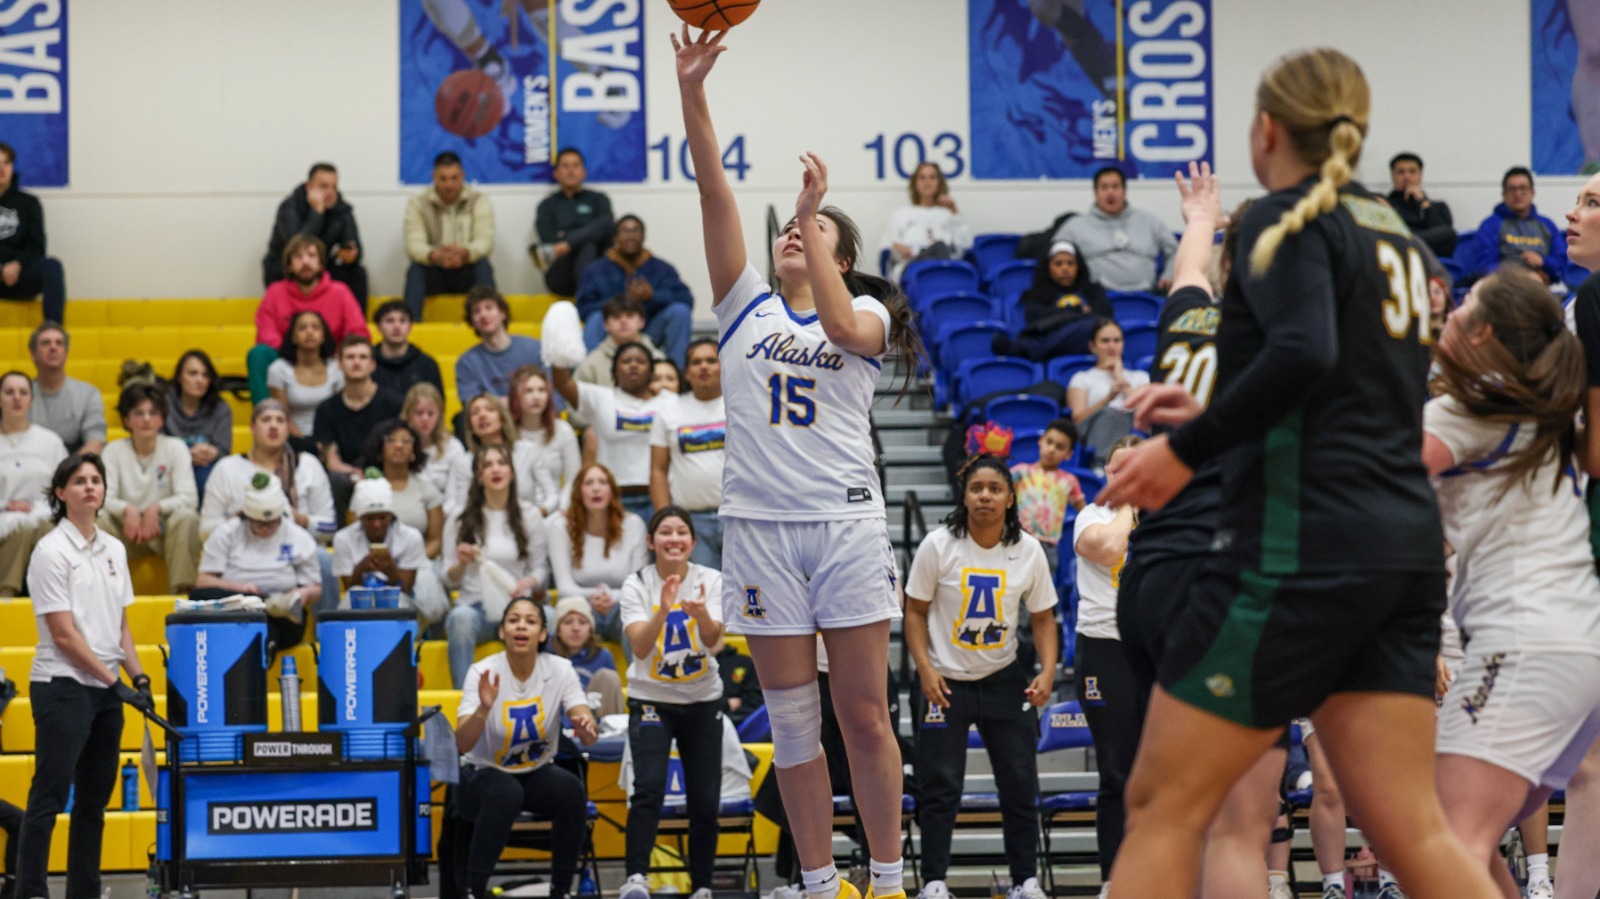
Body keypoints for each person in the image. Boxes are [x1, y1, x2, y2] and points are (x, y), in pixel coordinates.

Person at [1098, 49, 1499, 896]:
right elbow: (1344, 382)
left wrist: (1184, 449)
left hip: (1298, 552)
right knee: (1413, 830)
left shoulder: (1285, 219)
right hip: (1400, 551)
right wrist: (1213, 414)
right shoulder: (1394, 232)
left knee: (1162, 801)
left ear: (1267, 128)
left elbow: (1306, 350)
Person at [675, 26, 927, 899]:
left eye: (813, 229)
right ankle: (821, 883)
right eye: (788, 226)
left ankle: (889, 877)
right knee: (792, 730)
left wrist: (815, 214)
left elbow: (844, 326)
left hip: (845, 523)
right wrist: (692, 89)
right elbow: (713, 187)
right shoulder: (743, 308)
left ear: (841, 257)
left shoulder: (865, 315)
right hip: (761, 531)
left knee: (861, 714)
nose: (793, 232)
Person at [1112, 163, 1283, 899]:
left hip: (1148, 578)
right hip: (1224, 582)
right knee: (1238, 828)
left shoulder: (1188, 321)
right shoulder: (1290, 349)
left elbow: (1189, 270)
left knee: (1162, 815)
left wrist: (1200, 218)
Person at [1428, 273, 1600, 894]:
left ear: (1486, 331)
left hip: (1525, 646)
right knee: (1463, 838)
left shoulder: (1473, 405)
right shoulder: (1541, 408)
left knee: (1449, 843)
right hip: (1572, 649)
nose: (1451, 307)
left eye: (1466, 302)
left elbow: (1369, 473)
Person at [903, 455, 1057, 899]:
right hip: (944, 681)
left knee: (1019, 780)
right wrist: (926, 670)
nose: (985, 496)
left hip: (1004, 677)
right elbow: (914, 612)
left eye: (994, 489)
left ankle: (1025, 881)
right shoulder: (938, 544)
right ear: (964, 495)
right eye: (977, 488)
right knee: (940, 785)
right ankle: (933, 882)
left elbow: (1044, 619)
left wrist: (1047, 670)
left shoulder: (1027, 549)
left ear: (1011, 498)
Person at [15, 453, 154, 899]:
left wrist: (140, 677)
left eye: (96, 480)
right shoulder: (50, 552)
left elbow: (120, 627)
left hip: (107, 689)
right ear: (60, 493)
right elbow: (64, 636)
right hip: (63, 686)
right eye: (79, 481)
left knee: (94, 803)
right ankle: (31, 891)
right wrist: (115, 683)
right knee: (49, 797)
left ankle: (84, 892)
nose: (90, 487)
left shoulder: (114, 548)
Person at [615, 505, 726, 899]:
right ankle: (636, 878)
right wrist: (663, 609)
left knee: (704, 797)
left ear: (693, 542)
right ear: (650, 542)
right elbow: (641, 648)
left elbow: (715, 644)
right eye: (665, 532)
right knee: (647, 787)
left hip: (702, 699)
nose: (674, 538)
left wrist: (701, 617)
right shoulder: (636, 584)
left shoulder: (711, 579)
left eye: (682, 532)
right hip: (651, 699)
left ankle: (702, 885)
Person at [454, 597, 598, 899]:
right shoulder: (482, 671)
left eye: (531, 621)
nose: (522, 625)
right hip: (480, 775)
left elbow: (585, 725)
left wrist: (586, 726)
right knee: (507, 791)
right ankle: (473, 890)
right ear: (503, 632)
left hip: (533, 772)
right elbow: (462, 743)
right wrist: (483, 708)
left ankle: (561, 890)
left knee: (571, 791)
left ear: (543, 634)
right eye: (514, 620)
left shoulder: (560, 669)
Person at [1555, 168, 1600, 899]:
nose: (1574, 211)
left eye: (1594, 202)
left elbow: (1597, 453)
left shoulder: (1593, 300)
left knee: (1590, 763)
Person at [1072, 435, 1141, 888]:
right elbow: (1109, 549)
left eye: (1133, 467)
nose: (1122, 476)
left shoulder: (1171, 516)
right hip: (1104, 648)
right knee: (1117, 773)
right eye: (1117, 469)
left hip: (1157, 650)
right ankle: (1113, 883)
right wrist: (1132, 508)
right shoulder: (1092, 515)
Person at [200, 400, 341, 611]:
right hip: (243, 548)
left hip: (293, 549)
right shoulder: (227, 469)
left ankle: (328, 632)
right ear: (252, 427)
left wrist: (302, 519)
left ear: (288, 427)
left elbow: (330, 527)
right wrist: (239, 519)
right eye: (266, 420)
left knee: (324, 559)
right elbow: (204, 530)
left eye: (280, 420)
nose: (273, 426)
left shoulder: (308, 465)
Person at [443, 444, 550, 688]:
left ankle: (543, 693)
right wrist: (460, 564)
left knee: (551, 617)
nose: (495, 469)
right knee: (460, 619)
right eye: (487, 465)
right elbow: (448, 578)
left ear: (512, 472)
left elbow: (541, 570)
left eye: (501, 463)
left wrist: (528, 583)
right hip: (475, 606)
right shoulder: (459, 516)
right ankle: (464, 700)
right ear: (479, 477)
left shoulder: (529, 514)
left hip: (516, 606)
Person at [193, 472, 322, 652]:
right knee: (199, 597)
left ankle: (264, 633)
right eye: (259, 522)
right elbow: (203, 582)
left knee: (272, 624)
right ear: (247, 516)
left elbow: (315, 587)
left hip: (280, 612)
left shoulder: (299, 537)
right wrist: (241, 589)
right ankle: (261, 608)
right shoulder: (227, 532)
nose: (265, 528)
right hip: (236, 606)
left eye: (271, 522)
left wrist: (302, 594)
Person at [554, 341, 676, 521]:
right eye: (626, 361)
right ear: (614, 369)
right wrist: (560, 347)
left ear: (651, 371)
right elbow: (562, 383)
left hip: (659, 498)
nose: (633, 365)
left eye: (640, 361)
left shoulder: (669, 402)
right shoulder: (600, 398)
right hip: (613, 499)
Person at [99, 383, 201, 595]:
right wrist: (129, 510)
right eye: (139, 413)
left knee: (187, 518)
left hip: (163, 532)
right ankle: (106, 593)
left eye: (153, 413)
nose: (146, 419)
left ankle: (182, 594)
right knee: (97, 519)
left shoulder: (176, 448)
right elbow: (102, 499)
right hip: (126, 532)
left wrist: (156, 508)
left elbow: (190, 498)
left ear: (162, 419)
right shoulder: (113, 450)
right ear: (127, 420)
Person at [248, 233, 369, 403]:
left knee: (362, 354)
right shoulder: (275, 292)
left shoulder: (340, 292)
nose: (306, 262)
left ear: (321, 264)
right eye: (298, 257)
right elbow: (266, 335)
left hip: (331, 362)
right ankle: (267, 416)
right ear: (289, 265)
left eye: (312, 256)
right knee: (258, 354)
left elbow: (358, 333)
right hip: (287, 360)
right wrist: (301, 354)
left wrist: (330, 356)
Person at [547, 464, 648, 643]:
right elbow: (564, 587)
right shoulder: (560, 527)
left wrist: (611, 597)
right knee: (560, 618)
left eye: (602, 482)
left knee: (637, 621)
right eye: (588, 483)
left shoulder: (633, 525)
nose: (596, 488)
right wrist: (593, 597)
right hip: (578, 608)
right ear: (578, 492)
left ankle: (641, 672)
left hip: (621, 607)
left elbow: (638, 586)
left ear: (612, 491)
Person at [576, 215, 695, 365]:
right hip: (611, 335)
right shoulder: (596, 270)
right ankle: (591, 376)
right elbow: (583, 308)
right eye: (625, 231)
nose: (630, 236)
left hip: (649, 331)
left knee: (680, 312)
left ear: (643, 236)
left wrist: (652, 296)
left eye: (635, 231)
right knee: (595, 318)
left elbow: (686, 299)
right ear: (615, 237)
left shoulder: (661, 268)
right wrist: (621, 302)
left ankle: (674, 375)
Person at [650, 339, 726, 568]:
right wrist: (669, 519)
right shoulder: (668, 411)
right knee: (705, 595)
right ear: (686, 373)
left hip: (737, 517)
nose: (704, 366)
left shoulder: (741, 404)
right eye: (696, 362)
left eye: (711, 361)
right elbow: (658, 469)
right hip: (691, 522)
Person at [312, 335, 404, 518]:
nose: (356, 363)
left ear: (372, 365)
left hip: (387, 471)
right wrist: (356, 475)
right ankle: (336, 539)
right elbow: (332, 461)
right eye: (350, 357)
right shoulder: (327, 409)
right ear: (339, 363)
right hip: (346, 476)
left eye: (362, 357)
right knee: (335, 481)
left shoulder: (393, 403)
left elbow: (400, 448)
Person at [334, 476, 448, 623]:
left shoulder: (411, 537)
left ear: (391, 516)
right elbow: (351, 589)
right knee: (346, 606)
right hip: (361, 598)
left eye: (382, 518)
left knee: (398, 605)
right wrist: (363, 567)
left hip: (404, 599)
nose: (376, 524)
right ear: (361, 518)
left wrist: (390, 569)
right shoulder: (343, 539)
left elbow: (405, 589)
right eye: (370, 518)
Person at [1052, 165, 1178, 293]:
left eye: (1115, 187)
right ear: (1095, 193)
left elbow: (1176, 251)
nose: (1110, 192)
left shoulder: (1149, 221)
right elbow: (1053, 257)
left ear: (1124, 191)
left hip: (1148, 294)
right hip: (1097, 298)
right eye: (1104, 187)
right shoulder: (1075, 226)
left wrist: (1169, 275)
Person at [405, 151, 496, 319]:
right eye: (443, 179)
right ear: (434, 177)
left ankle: (490, 322)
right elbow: (414, 244)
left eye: (454, 178)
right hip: (434, 269)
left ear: (462, 176)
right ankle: (411, 328)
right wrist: (435, 255)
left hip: (467, 267)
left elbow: (485, 242)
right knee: (416, 269)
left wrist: (465, 253)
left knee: (483, 266)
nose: (449, 184)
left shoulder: (479, 200)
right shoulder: (418, 203)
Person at [263, 162, 367, 309]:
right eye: (324, 186)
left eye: (334, 187)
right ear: (309, 187)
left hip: (322, 265)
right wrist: (317, 212)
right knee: (281, 266)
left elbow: (355, 246)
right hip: (288, 266)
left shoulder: (342, 209)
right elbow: (296, 246)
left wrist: (351, 255)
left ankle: (355, 327)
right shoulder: (289, 207)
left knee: (357, 272)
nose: (330, 192)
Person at [0, 371, 67, 597]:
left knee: (48, 526)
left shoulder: (50, 442)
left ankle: (55, 598)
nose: (16, 398)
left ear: (31, 399)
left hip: (44, 515)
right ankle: (5, 597)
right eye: (9, 392)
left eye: (23, 392)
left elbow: (66, 487)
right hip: (3, 517)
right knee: (21, 527)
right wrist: (7, 505)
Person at [992, 240, 1113, 362]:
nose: (1065, 268)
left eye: (1070, 263)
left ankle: (1022, 349)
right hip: (1055, 339)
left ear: (1079, 267)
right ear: (1048, 267)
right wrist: (1076, 311)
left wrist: (1060, 316)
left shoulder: (1094, 290)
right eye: (1058, 264)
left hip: (1088, 341)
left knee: (1088, 328)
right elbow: (1036, 321)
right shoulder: (1036, 294)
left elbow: (1103, 317)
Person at [446, 393, 554, 514]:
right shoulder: (463, 462)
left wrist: (539, 513)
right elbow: (455, 504)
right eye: (475, 413)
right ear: (470, 426)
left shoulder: (528, 450)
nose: (482, 415)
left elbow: (552, 495)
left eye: (489, 409)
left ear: (503, 419)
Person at [1466, 167, 1570, 286]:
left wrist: (1543, 262)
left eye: (1523, 188)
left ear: (1532, 193)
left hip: (1544, 285)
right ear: (1504, 194)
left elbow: (1561, 261)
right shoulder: (1490, 225)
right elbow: (1484, 265)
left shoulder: (1547, 225)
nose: (1518, 194)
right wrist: (1518, 275)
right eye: (1512, 189)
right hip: (1505, 286)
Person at [1009, 417, 1086, 578]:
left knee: (1043, 596)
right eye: (1049, 442)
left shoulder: (1069, 481)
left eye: (1060, 447)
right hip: (1018, 541)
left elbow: (1084, 512)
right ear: (1041, 441)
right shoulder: (1020, 473)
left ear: (1069, 454)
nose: (1051, 449)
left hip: (1048, 547)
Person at [533, 148, 615, 296]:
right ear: (556, 173)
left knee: (588, 247)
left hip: (599, 267)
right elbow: (550, 241)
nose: (571, 171)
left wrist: (568, 241)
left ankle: (585, 295)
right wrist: (589, 233)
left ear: (584, 172)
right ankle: (588, 298)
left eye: (576, 165)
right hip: (561, 273)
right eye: (565, 166)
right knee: (587, 244)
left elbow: (607, 225)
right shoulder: (547, 206)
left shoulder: (599, 200)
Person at [0, 142, 66, 324]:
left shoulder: (29, 203)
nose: (1, 169)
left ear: (12, 167)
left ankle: (53, 331)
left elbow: (37, 248)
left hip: (19, 276)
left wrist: (17, 264)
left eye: (6, 163)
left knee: (51, 266)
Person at [880, 161, 973, 282]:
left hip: (944, 263)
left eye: (932, 177)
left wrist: (955, 213)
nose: (927, 182)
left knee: (940, 248)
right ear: (915, 183)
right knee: (939, 248)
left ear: (939, 182)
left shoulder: (948, 214)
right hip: (912, 265)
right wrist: (897, 248)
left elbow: (965, 246)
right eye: (922, 177)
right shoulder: (901, 213)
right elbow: (887, 246)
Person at [368, 419, 445, 559]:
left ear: (413, 452)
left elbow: (435, 541)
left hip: (420, 564)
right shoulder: (367, 491)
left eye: (406, 441)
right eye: (391, 440)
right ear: (380, 450)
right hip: (375, 563)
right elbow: (356, 538)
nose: (399, 446)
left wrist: (412, 564)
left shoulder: (428, 490)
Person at [266, 309, 343, 449]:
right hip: (293, 439)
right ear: (293, 337)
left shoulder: (337, 368)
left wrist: (326, 443)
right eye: (302, 328)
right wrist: (308, 444)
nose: (309, 332)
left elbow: (340, 413)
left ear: (323, 336)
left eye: (315, 327)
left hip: (331, 440)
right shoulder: (278, 369)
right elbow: (282, 416)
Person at [456, 286, 544, 406]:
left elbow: (553, 396)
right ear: (472, 322)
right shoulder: (466, 363)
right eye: (477, 311)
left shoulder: (534, 350)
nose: (483, 315)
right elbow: (471, 404)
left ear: (502, 313)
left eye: (489, 307)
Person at [163, 350, 233, 498]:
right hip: (168, 467)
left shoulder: (220, 408)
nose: (199, 380)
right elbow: (155, 447)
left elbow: (224, 451)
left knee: (209, 477)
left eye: (205, 375)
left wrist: (214, 452)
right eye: (193, 373)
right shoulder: (163, 404)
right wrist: (184, 457)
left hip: (205, 464)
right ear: (180, 377)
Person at [510, 365, 581, 509]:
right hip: (517, 511)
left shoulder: (563, 430)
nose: (536, 397)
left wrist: (563, 510)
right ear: (516, 396)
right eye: (528, 391)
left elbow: (573, 480)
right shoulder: (507, 432)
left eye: (541, 390)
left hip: (557, 511)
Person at [28, 322, 105, 455]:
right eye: (46, 343)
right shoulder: (19, 395)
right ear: (33, 354)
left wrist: (67, 472)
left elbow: (96, 442)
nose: (53, 347)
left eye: (59, 343)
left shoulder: (88, 394)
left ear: (66, 353)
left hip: (74, 469)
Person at [1066, 319, 1148, 423]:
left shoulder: (1141, 377)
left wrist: (1121, 381)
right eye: (1105, 341)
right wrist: (1108, 398)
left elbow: (1150, 413)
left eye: (1117, 340)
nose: (1111, 346)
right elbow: (1078, 420)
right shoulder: (1081, 378)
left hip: (1134, 434)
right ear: (1092, 346)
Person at [573, 296, 667, 387]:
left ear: (641, 322)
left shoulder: (659, 360)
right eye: (616, 317)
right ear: (606, 325)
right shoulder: (591, 364)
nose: (623, 321)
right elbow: (575, 399)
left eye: (629, 316)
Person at [1386, 153, 1455, 259]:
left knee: (1448, 233)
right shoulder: (1384, 204)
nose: (1407, 176)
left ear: (1420, 175)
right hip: (1397, 253)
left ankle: (1411, 241)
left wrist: (1424, 202)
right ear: (1392, 176)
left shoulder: (1439, 206)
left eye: (1412, 171)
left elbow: (1445, 237)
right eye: (1401, 172)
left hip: (1429, 256)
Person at [371, 299, 445, 398]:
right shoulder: (367, 363)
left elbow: (437, 404)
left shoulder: (427, 365)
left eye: (402, 321)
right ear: (378, 327)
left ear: (410, 326)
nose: (396, 326)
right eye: (389, 321)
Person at [404, 382, 466, 497]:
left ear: (439, 416)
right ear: (408, 415)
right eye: (419, 413)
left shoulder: (453, 447)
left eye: (431, 413)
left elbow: (457, 496)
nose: (425, 419)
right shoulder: (399, 446)